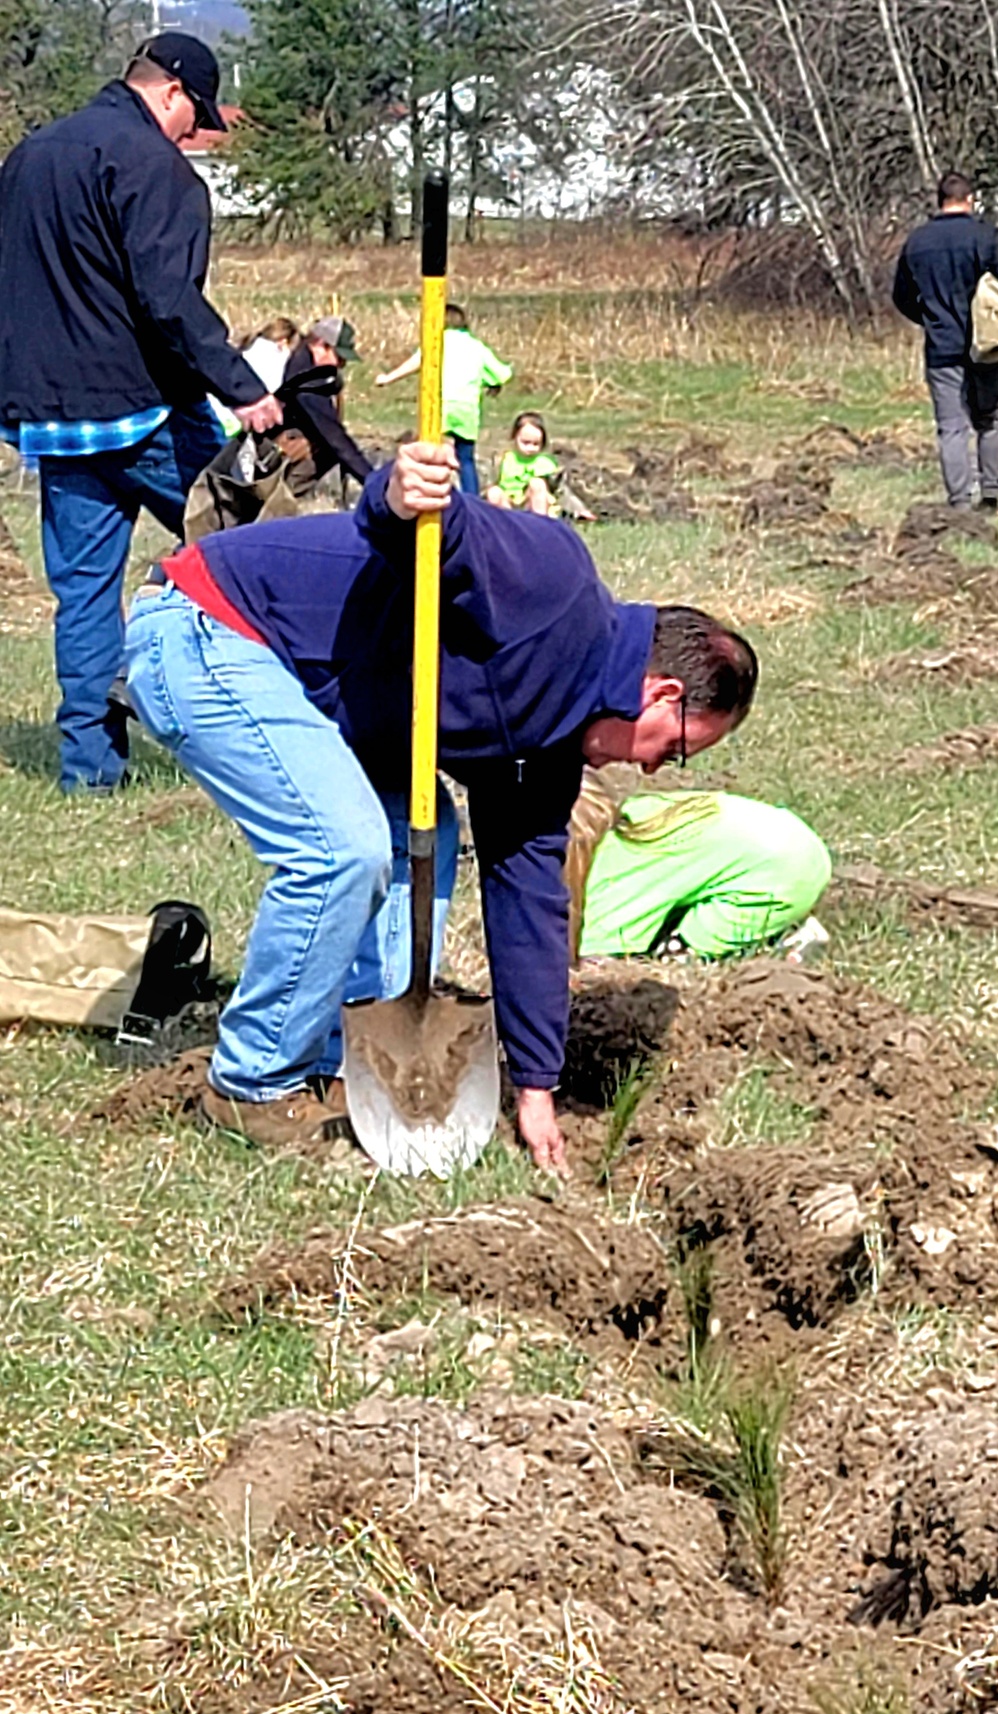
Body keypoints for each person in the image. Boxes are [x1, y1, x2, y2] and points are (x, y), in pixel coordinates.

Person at [123, 438, 758, 1171]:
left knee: (424, 835)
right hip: (209, 627)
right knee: (343, 849)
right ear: (663, 695)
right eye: (673, 749)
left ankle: (340, 1060)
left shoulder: (548, 753)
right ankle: (252, 1080)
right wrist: (404, 490)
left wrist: (537, 1084)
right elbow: (437, 534)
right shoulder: (555, 584)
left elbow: (528, 904)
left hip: (327, 695)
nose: (652, 767)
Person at [0, 33, 283, 794]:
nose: (196, 138)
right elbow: (170, 303)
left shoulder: (28, 158)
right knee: (264, 554)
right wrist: (243, 387)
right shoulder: (158, 169)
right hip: (144, 410)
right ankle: (303, 732)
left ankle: (89, 771)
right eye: (198, 121)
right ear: (173, 92)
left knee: (85, 595)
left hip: (55, 419)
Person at [565, 776, 830, 962]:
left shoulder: (602, 889)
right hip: (785, 837)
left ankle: (779, 944)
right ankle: (777, 925)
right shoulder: (621, 815)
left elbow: (592, 953)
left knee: (658, 965)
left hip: (780, 874)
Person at [893, 170, 998, 511]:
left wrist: (930, 320)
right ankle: (993, 493)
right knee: (991, 420)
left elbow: (901, 296)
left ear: (940, 201)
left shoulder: (918, 241)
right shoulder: (988, 237)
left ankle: (958, 502)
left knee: (952, 427)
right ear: (969, 200)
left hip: (942, 348)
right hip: (988, 346)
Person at [375, 305, 512, 494]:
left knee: (428, 450)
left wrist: (388, 378)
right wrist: (491, 383)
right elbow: (501, 374)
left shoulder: (436, 341)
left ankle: (424, 490)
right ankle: (471, 500)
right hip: (467, 409)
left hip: (440, 405)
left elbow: (417, 362)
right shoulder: (476, 346)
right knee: (466, 458)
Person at [279, 317, 374, 489]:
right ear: (321, 345)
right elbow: (335, 438)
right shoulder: (306, 382)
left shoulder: (303, 359)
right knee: (329, 447)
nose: (342, 365)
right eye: (339, 357)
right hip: (277, 452)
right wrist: (372, 481)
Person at [487, 412, 563, 517]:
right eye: (526, 443)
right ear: (514, 437)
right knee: (494, 492)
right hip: (509, 503)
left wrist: (579, 509)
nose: (530, 448)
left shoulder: (545, 463)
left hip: (531, 503)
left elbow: (563, 491)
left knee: (537, 484)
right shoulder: (505, 459)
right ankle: (503, 526)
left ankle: (540, 524)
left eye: (536, 444)